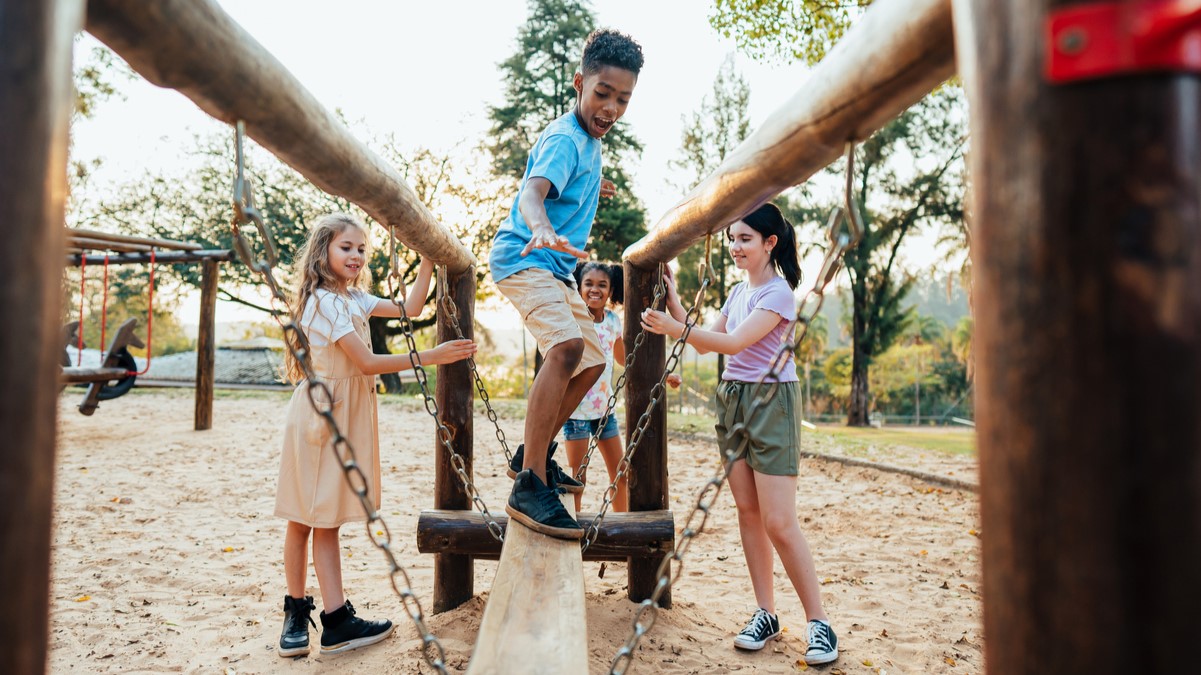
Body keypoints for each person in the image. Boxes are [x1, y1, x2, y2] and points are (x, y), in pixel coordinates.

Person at [640, 203, 839, 665]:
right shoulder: (736, 292)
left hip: (771, 402)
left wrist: (675, 328)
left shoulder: (780, 294)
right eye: (732, 239)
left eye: (745, 239)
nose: (734, 247)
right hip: (733, 400)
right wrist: (672, 299)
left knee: (778, 522)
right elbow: (709, 334)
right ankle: (765, 613)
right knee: (748, 513)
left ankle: (819, 623)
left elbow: (731, 344)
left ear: (771, 243)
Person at [274, 212, 476, 658]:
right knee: (303, 516)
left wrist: (428, 258)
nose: (356, 255)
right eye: (347, 247)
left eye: (362, 249)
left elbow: (412, 308)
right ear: (323, 250)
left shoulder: (353, 298)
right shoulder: (324, 301)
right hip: (321, 415)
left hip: (346, 412)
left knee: (325, 517)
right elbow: (365, 362)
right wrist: (433, 355)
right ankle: (296, 609)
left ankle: (335, 619)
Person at [489, 28, 644, 539]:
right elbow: (533, 193)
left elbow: (567, 176)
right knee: (567, 347)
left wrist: (592, 183)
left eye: (622, 98)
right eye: (602, 93)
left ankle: (529, 455)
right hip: (524, 257)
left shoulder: (588, 144)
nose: (611, 107)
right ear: (580, 83)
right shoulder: (564, 138)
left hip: (554, 270)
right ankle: (529, 484)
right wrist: (539, 225)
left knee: (594, 359)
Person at [561, 261, 682, 512]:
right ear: (579, 287)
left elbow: (627, 359)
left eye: (602, 285)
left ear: (611, 289)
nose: (595, 289)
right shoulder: (574, 319)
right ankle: (573, 527)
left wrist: (663, 374)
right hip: (576, 412)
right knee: (577, 477)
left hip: (605, 412)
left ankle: (621, 522)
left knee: (621, 473)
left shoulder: (613, 322)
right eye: (589, 284)